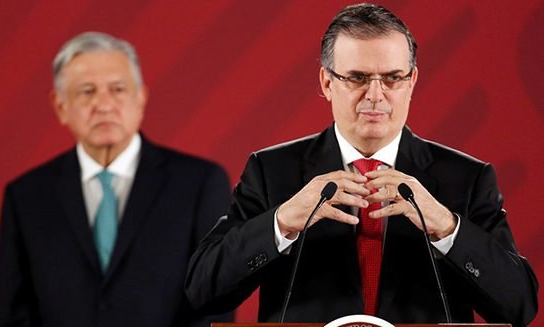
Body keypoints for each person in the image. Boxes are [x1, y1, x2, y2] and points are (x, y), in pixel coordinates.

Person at [185, 3, 538, 326]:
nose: (375, 94)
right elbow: (202, 290)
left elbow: (519, 306)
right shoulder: (271, 170)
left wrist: (446, 227)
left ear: (411, 82)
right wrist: (282, 223)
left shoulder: (467, 178)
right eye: (356, 78)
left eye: (392, 78)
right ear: (327, 82)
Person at [0, 32, 233, 327]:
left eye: (118, 89)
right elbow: (13, 314)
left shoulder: (200, 183)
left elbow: (214, 303)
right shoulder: (27, 196)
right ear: (60, 106)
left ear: (141, 98)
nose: (104, 104)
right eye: (87, 91)